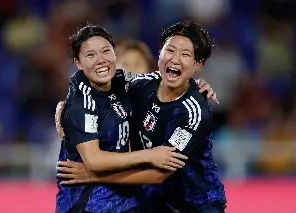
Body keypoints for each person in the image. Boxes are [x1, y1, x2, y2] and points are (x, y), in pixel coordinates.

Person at [56, 21, 226, 213]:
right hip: (151, 199)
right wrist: (66, 105)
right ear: (159, 54)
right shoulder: (140, 85)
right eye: (170, 50)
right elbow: (89, 78)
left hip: (195, 204)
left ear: (198, 63)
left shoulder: (195, 113)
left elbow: (157, 174)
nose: (175, 59)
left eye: (185, 54)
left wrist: (93, 175)